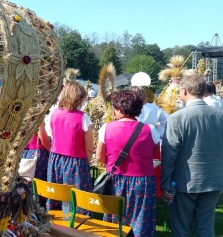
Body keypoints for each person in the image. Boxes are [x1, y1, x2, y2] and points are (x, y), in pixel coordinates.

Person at [161, 75, 223, 236]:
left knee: (181, 227)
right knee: (206, 226)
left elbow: (169, 154)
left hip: (185, 181)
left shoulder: (177, 118)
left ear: (184, 91)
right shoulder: (220, 116)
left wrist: (166, 183)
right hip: (214, 180)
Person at [96, 89, 159, 237]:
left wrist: (112, 164)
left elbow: (99, 156)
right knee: (142, 222)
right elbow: (153, 150)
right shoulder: (150, 129)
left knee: (114, 222)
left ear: (118, 108)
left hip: (116, 180)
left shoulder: (106, 128)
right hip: (143, 182)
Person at [47, 81, 93, 210]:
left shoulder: (54, 113)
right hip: (76, 161)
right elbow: (89, 146)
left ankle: (56, 224)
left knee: (57, 194)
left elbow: (52, 134)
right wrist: (85, 163)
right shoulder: (83, 117)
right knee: (77, 199)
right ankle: (75, 225)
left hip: (55, 159)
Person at [21, 122, 50, 207]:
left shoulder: (20, 116)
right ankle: (38, 208)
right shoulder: (38, 116)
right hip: (37, 154)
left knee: (24, 181)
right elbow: (43, 139)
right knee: (37, 184)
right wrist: (50, 151)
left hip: (24, 153)